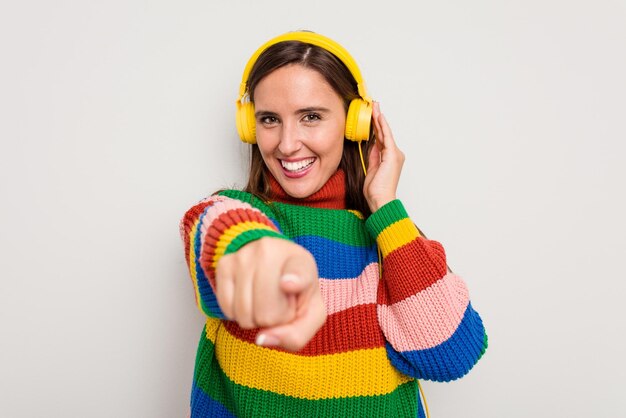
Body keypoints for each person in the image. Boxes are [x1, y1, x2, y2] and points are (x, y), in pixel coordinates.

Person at [179, 31, 488, 418]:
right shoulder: (231, 212)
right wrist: (263, 255)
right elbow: (218, 232)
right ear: (249, 127)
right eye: (270, 119)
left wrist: (385, 207)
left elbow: (450, 356)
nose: (288, 144)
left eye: (311, 117)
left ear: (353, 123)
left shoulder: (389, 240)